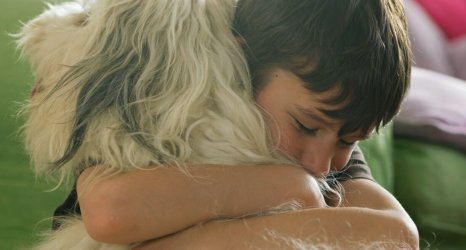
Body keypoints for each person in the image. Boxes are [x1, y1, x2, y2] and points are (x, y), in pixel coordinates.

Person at [54, 0, 418, 248]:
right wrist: (293, 188)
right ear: (240, 65)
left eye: (350, 141)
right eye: (306, 126)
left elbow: (397, 235)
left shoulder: (325, 132)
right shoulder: (160, 105)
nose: (321, 164)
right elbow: (110, 212)